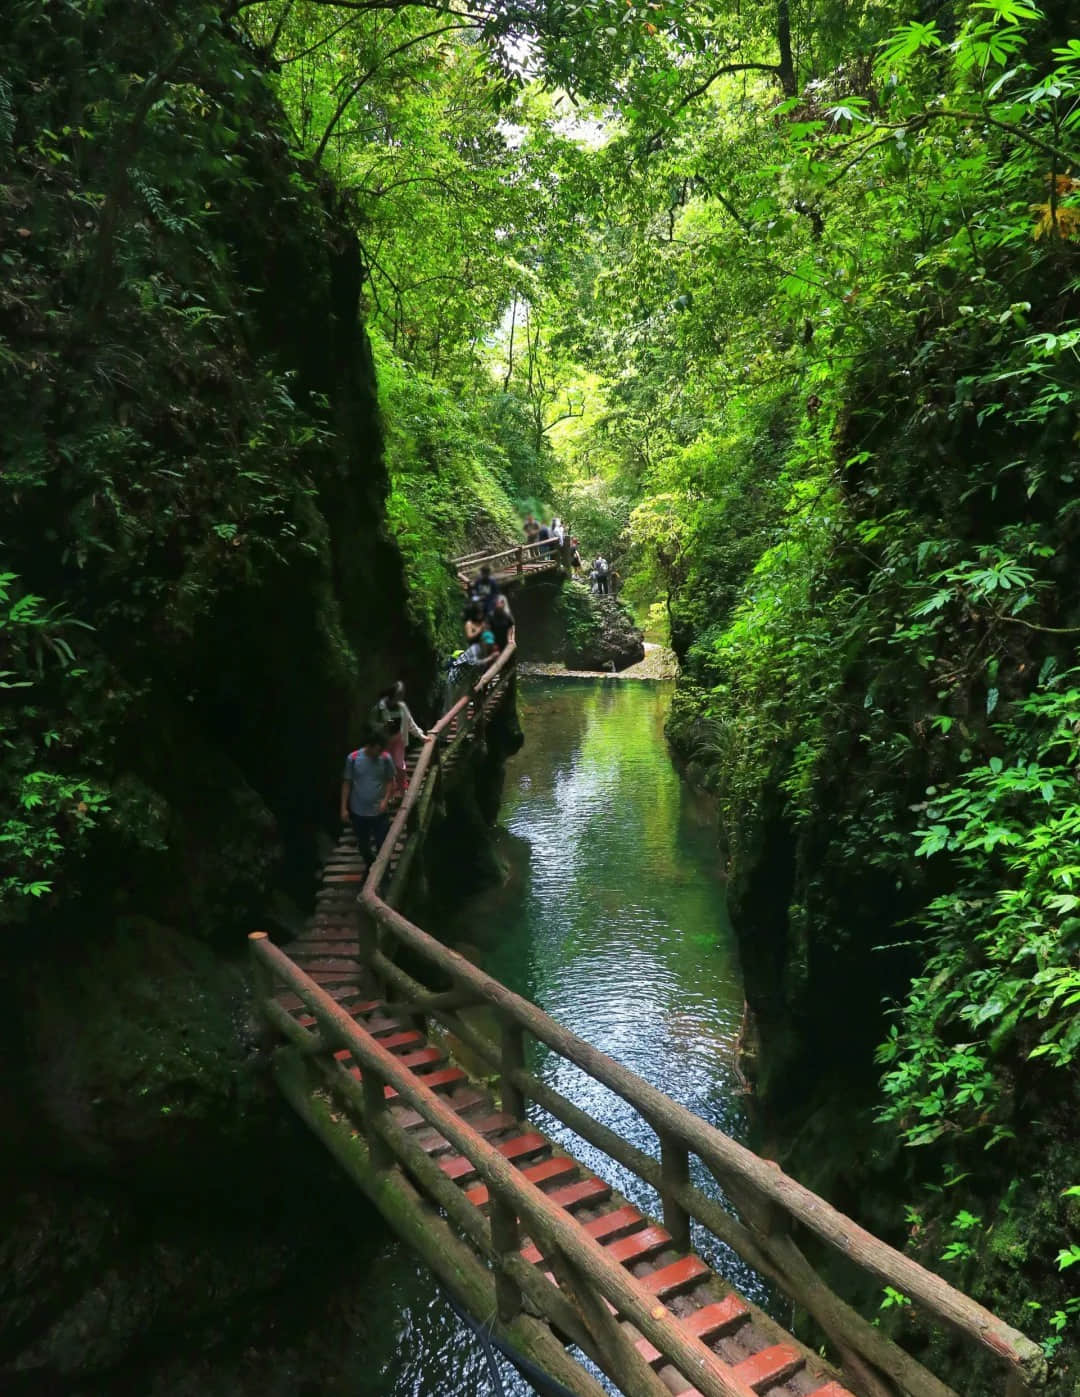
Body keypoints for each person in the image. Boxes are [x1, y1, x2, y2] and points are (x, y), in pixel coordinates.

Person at [340, 731, 396, 864]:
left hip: (379, 812)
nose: (379, 752)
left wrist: (386, 799)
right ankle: (370, 867)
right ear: (369, 746)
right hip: (359, 812)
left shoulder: (385, 758)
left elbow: (390, 780)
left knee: (383, 845)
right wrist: (343, 808)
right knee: (364, 846)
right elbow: (347, 783)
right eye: (377, 749)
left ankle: (385, 874)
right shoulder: (353, 758)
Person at [372, 681, 427, 794]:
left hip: (398, 739)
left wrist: (421, 736)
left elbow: (410, 723)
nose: (401, 696)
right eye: (400, 694)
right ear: (393, 694)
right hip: (385, 740)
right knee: (387, 767)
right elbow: (371, 723)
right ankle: (390, 793)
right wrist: (383, 725)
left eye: (402, 694)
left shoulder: (402, 707)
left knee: (399, 765)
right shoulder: (379, 707)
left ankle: (403, 788)